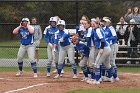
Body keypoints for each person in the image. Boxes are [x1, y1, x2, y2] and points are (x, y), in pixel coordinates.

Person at [89, 18, 113, 84]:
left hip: (104, 48)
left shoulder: (97, 30)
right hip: (107, 48)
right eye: (92, 24)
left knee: (97, 64)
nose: (93, 25)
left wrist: (101, 48)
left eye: (94, 24)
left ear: (97, 24)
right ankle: (111, 77)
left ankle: (97, 80)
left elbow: (102, 40)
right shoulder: (96, 30)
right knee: (107, 65)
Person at [103, 17, 119, 81]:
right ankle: (109, 75)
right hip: (107, 46)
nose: (104, 23)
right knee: (107, 61)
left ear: (109, 22)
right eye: (104, 21)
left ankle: (115, 76)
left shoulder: (111, 28)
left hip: (113, 45)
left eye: (105, 21)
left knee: (112, 61)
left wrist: (107, 39)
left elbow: (115, 37)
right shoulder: (104, 28)